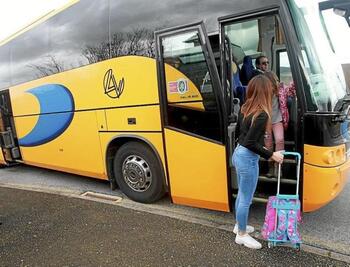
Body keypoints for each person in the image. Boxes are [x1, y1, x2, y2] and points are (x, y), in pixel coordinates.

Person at [232, 75, 284, 249]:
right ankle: (241, 235)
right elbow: (250, 142)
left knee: (241, 194)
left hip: (238, 154)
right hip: (247, 157)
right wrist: (272, 155)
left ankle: (239, 225)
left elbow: (241, 136)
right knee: (246, 198)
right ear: (266, 91)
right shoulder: (262, 114)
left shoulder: (245, 107)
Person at [263, 71, 285, 177]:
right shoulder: (262, 93)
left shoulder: (280, 91)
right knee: (268, 145)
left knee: (279, 140)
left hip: (277, 119)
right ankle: (270, 166)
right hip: (266, 121)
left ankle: (279, 166)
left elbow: (291, 90)